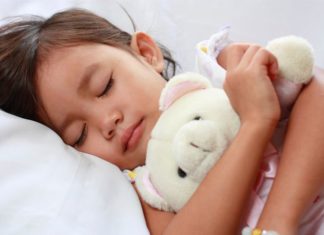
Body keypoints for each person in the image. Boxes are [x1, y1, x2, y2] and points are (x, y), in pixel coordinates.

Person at [0, 8, 323, 235]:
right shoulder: (146, 190)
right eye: (79, 134)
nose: (107, 122)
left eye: (105, 86)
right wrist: (255, 124)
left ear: (146, 52)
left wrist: (279, 220)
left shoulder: (221, 76)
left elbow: (315, 88)